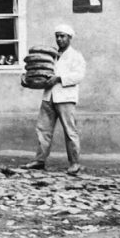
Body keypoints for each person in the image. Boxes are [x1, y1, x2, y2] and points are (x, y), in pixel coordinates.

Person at [24, 24, 87, 175]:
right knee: (43, 129)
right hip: (49, 96)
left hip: (65, 97)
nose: (59, 39)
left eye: (62, 36)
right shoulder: (51, 56)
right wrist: (30, 79)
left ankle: (74, 163)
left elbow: (79, 76)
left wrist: (59, 78)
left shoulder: (75, 56)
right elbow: (40, 69)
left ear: (69, 38)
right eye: (57, 36)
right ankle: (40, 160)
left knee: (70, 131)